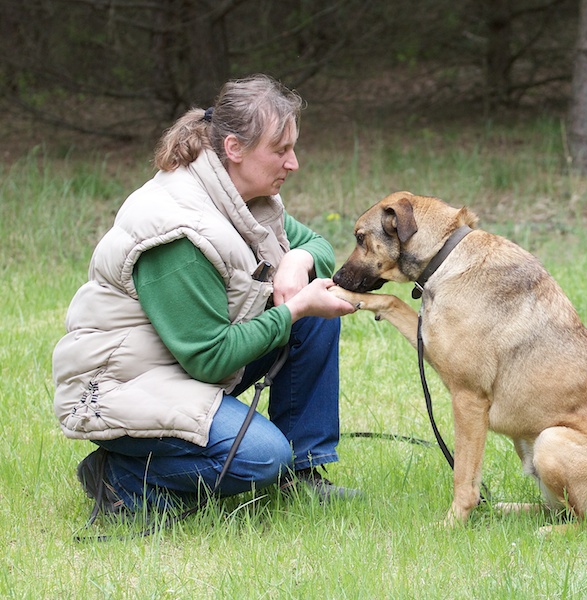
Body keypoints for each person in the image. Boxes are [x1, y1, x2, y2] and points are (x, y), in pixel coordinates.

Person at [52, 74, 358, 517]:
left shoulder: (242, 196)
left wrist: (297, 261)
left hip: (178, 366)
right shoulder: (178, 233)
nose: (293, 163)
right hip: (120, 386)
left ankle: (304, 475)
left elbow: (317, 245)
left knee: (313, 313)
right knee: (262, 456)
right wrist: (293, 308)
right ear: (234, 148)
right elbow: (210, 358)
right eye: (280, 150)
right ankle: (120, 478)